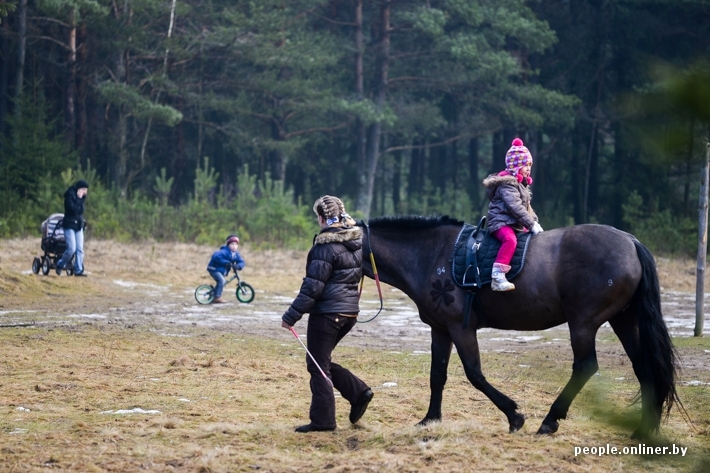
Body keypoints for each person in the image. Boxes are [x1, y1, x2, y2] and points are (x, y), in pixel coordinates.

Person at [281, 195, 373, 433]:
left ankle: (323, 422)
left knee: (317, 365)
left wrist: (292, 315)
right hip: (349, 314)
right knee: (321, 361)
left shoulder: (325, 246)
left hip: (328, 315)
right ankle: (358, 391)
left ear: (322, 218)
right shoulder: (356, 241)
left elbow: (313, 286)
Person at [482, 138, 543, 291]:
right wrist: (530, 224)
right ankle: (497, 276)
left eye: (530, 165)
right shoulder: (507, 185)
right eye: (526, 165)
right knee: (510, 240)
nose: (529, 169)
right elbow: (515, 208)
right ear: (515, 166)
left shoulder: (521, 186)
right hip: (500, 223)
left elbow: (527, 209)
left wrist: (535, 223)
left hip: (514, 223)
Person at [56, 179, 89, 277]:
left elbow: (81, 211)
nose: (86, 192)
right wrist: (79, 199)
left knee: (80, 249)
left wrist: (80, 199)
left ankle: (78, 270)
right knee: (71, 249)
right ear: (80, 189)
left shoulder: (82, 198)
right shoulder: (69, 196)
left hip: (78, 225)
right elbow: (73, 210)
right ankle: (60, 264)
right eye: (85, 190)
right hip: (69, 225)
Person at [206, 235, 246, 303]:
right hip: (214, 269)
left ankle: (214, 293)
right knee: (222, 281)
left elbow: (241, 261)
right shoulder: (224, 251)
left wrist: (238, 266)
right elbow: (215, 257)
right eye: (232, 244)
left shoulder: (235, 254)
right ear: (228, 245)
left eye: (236, 244)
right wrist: (227, 263)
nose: (234, 246)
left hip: (221, 270)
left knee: (221, 282)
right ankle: (217, 297)